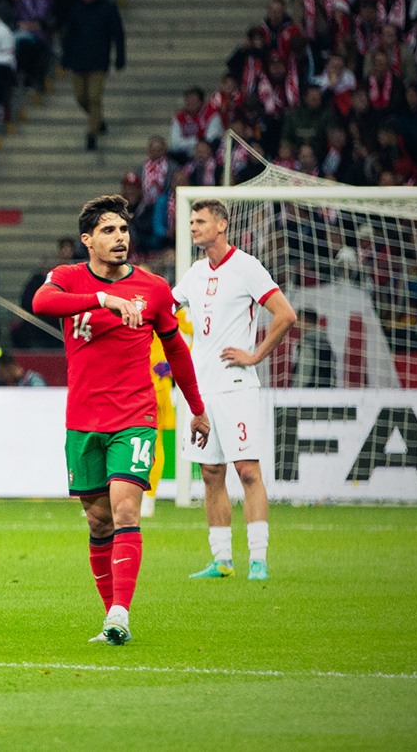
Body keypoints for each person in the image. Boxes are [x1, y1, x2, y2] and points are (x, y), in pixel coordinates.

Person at [31, 194, 210, 645]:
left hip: (134, 415)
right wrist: (102, 300)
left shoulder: (152, 288)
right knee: (97, 521)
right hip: (83, 420)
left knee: (126, 508)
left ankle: (120, 614)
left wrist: (197, 407)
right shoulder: (70, 278)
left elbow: (176, 351)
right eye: (109, 231)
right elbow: (41, 302)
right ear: (87, 240)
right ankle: (108, 618)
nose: (119, 238)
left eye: (124, 230)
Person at [172, 199, 298, 581]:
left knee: (246, 471)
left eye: (200, 221)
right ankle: (222, 559)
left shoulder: (246, 266)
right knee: (210, 471)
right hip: (200, 388)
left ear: (222, 225)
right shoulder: (194, 273)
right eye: (191, 221)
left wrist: (256, 354)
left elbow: (285, 314)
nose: (193, 227)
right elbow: (165, 307)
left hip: (237, 386)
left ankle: (257, 559)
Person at [62, 0, 127, 151]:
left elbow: (118, 35)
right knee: (80, 96)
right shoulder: (76, 10)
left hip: (98, 61)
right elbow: (69, 36)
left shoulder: (108, 9)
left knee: (94, 97)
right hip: (79, 62)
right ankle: (98, 120)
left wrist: (120, 57)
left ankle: (91, 134)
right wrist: (66, 58)